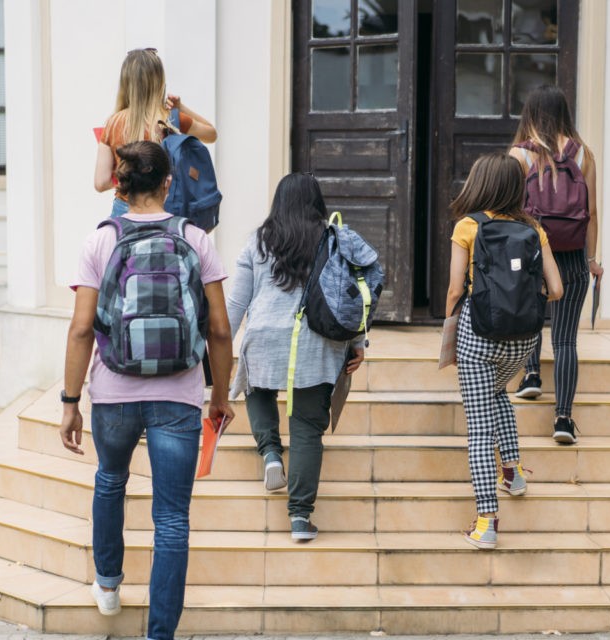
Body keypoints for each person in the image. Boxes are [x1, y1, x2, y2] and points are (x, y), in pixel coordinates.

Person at [60, 141, 234, 639]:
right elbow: (220, 329)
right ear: (168, 183)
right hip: (177, 395)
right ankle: (160, 635)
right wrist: (218, 395)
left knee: (110, 480)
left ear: (119, 185)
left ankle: (109, 584)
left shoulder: (100, 241)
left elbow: (80, 328)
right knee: (172, 518)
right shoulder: (197, 239)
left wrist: (70, 403)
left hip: (113, 391)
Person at [226, 173, 365, 542]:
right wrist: (359, 343)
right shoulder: (335, 237)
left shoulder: (258, 241)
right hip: (317, 341)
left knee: (257, 388)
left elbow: (237, 302)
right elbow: (355, 295)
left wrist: (219, 347)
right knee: (306, 427)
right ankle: (300, 518)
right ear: (317, 202)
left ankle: (271, 453)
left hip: (265, 334)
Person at [446, 153, 563, 550]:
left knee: (478, 431)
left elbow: (455, 290)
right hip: (524, 340)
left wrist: (451, 324)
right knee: (497, 393)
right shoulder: (534, 228)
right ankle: (512, 472)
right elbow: (558, 290)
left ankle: (486, 522)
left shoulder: (468, 227)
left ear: (479, 184)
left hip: (479, 338)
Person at [509, 85, 603, 446]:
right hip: (573, 256)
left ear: (530, 113)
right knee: (565, 340)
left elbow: (512, 209)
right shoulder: (584, 155)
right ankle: (563, 418)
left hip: (533, 252)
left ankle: (531, 375)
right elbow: (591, 213)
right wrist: (592, 259)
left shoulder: (520, 154)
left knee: (530, 318)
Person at [95, 48, 217, 217]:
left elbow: (101, 183)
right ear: (159, 81)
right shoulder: (170, 120)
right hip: (165, 212)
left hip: (124, 212)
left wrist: (127, 174)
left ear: (125, 83)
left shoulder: (112, 123)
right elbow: (211, 134)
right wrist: (181, 108)